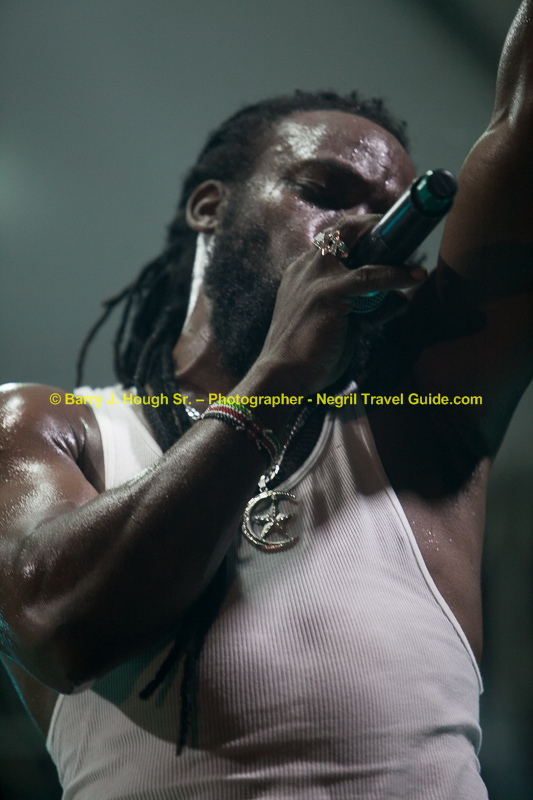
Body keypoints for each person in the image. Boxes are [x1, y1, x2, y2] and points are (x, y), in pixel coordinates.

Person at [1, 2, 532, 796]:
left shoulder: (416, 423)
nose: (361, 228)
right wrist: (282, 372)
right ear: (210, 207)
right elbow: (61, 627)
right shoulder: (48, 423)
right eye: (324, 191)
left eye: (387, 214)